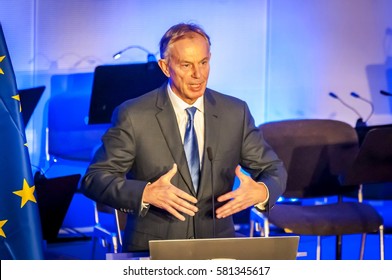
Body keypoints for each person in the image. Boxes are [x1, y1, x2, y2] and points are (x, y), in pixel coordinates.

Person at [81, 22, 287, 252]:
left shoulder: (234, 112)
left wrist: (262, 191)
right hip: (153, 248)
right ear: (165, 67)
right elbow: (95, 179)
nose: (198, 74)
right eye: (186, 65)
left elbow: (274, 169)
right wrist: (145, 193)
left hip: (218, 249)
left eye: (204, 62)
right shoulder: (134, 115)